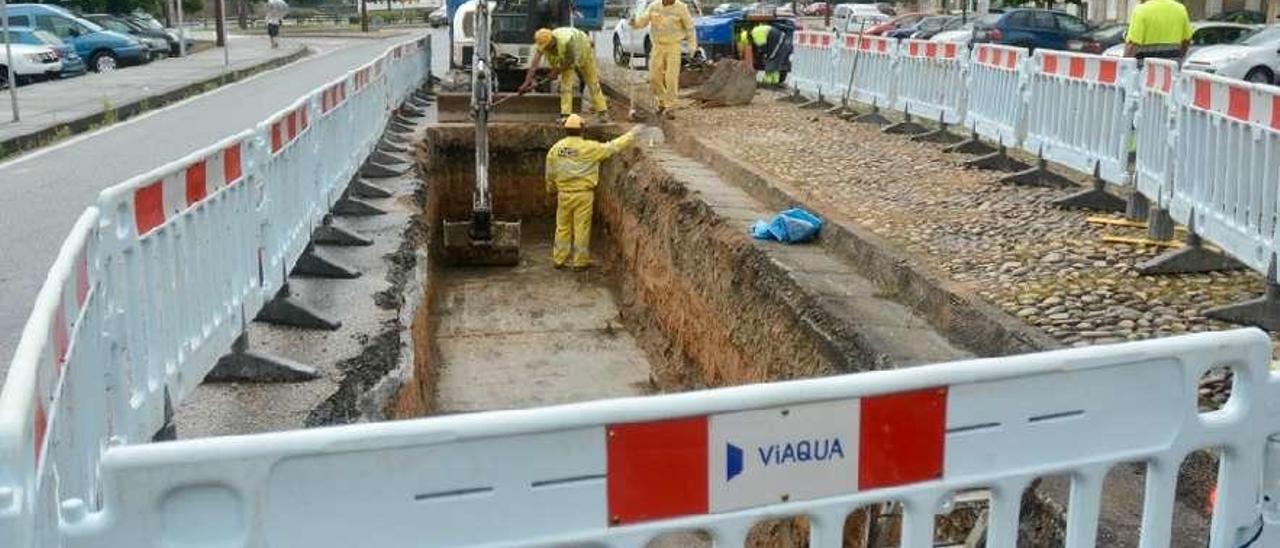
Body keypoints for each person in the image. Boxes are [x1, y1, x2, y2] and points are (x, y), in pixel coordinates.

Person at [545, 115, 638, 270]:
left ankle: (559, 259)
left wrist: (551, 190)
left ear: (565, 130)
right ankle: (579, 262)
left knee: (562, 227)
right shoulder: (589, 148)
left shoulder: (555, 150)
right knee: (581, 227)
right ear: (582, 129)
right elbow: (612, 147)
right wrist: (632, 134)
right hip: (583, 195)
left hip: (564, 195)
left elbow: (550, 174)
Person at [521, 27, 609, 124]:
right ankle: (565, 116)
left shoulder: (566, 42)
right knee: (566, 85)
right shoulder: (542, 42)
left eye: (547, 46)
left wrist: (555, 73)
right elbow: (534, 63)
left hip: (583, 50)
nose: (545, 48)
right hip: (566, 57)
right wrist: (527, 81)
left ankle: (602, 112)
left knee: (592, 82)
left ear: (552, 40)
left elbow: (569, 62)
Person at [629, 0, 698, 119]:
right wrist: (634, 22)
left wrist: (692, 46)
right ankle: (662, 102)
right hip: (657, 46)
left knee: (671, 77)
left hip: (673, 46)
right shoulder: (654, 6)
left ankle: (670, 107)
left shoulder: (681, 8)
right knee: (653, 77)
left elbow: (690, 28)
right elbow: (642, 21)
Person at [1123, 0, 1192, 60]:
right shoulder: (1180, 9)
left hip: (1145, 69)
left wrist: (1124, 66)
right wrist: (1179, 58)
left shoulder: (1141, 10)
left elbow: (1132, 45)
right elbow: (1186, 41)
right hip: (1171, 69)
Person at [749, 23, 790, 87]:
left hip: (779, 42)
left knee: (771, 60)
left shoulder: (756, 33)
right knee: (775, 65)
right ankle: (775, 83)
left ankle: (767, 84)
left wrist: (763, 55)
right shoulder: (759, 29)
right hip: (783, 42)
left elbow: (762, 46)